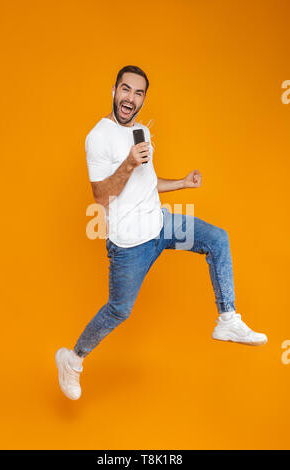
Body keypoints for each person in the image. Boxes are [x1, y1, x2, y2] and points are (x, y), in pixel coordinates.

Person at [55, 65, 267, 400]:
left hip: (161, 224)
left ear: (143, 99)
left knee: (217, 239)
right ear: (114, 91)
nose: (131, 98)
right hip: (130, 244)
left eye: (138, 93)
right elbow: (100, 196)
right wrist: (127, 163)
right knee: (118, 310)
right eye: (126, 90)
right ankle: (73, 359)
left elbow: (148, 184)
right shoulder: (98, 136)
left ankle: (227, 318)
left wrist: (182, 182)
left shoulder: (141, 131)